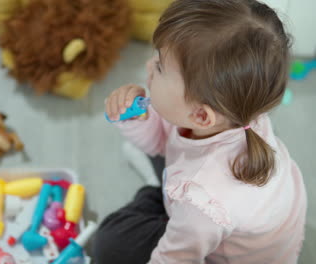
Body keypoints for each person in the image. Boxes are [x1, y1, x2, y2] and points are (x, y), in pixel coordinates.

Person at [94, 0, 307, 263]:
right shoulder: (237, 108)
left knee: (109, 243)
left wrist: (183, 208)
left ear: (201, 116)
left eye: (160, 67)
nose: (148, 66)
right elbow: (162, 143)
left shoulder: (203, 203)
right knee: (164, 166)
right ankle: (163, 193)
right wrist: (138, 118)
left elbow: (172, 260)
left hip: (216, 245)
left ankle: (158, 194)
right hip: (220, 215)